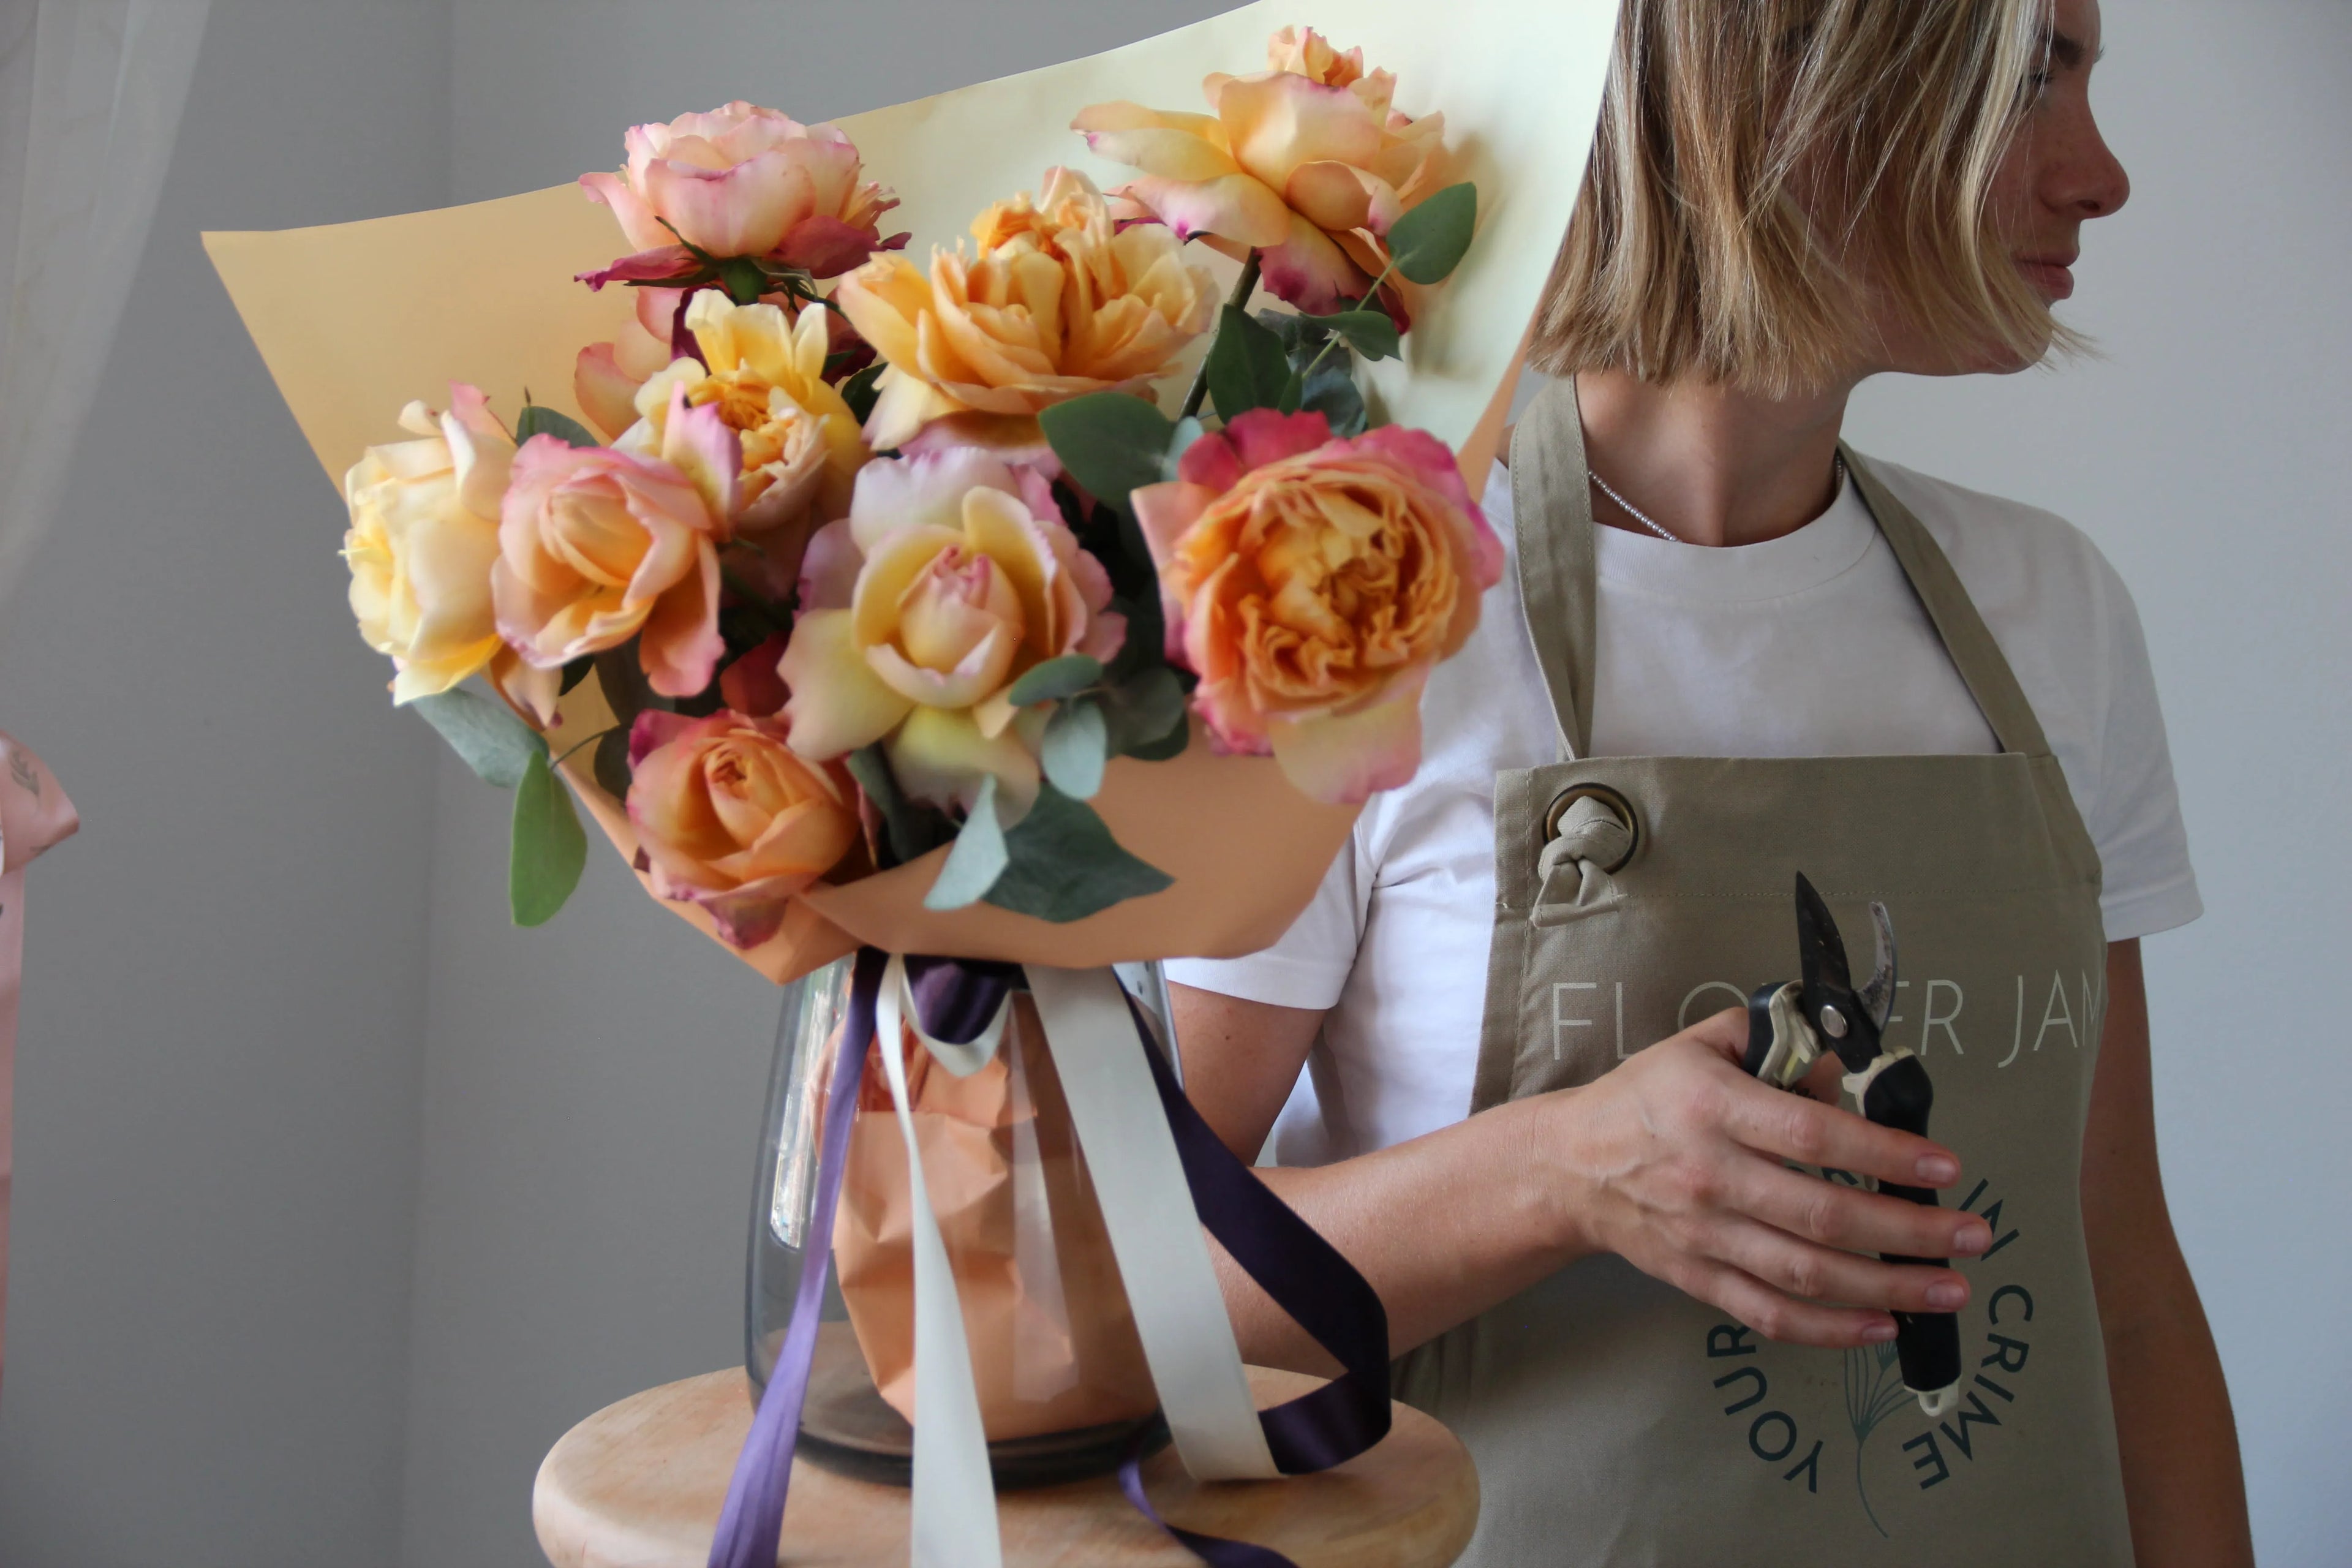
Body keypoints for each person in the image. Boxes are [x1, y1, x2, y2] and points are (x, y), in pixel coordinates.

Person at [1165, 1, 2255, 1562]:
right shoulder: (1365, 624)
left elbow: (2122, 1278)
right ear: (1794, 85)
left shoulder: (2053, 610)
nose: (2103, 175)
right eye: (2035, 73)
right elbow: (1122, 1303)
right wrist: (1558, 1172)